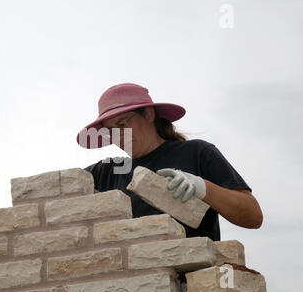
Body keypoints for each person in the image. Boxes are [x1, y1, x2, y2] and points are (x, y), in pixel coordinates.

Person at [76, 83, 263, 241]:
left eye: (123, 124)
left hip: (190, 281)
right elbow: (57, 189)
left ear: (148, 114)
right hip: (129, 282)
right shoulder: (106, 171)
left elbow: (253, 217)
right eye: (110, 131)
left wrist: (202, 188)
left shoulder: (196, 153)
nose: (119, 136)